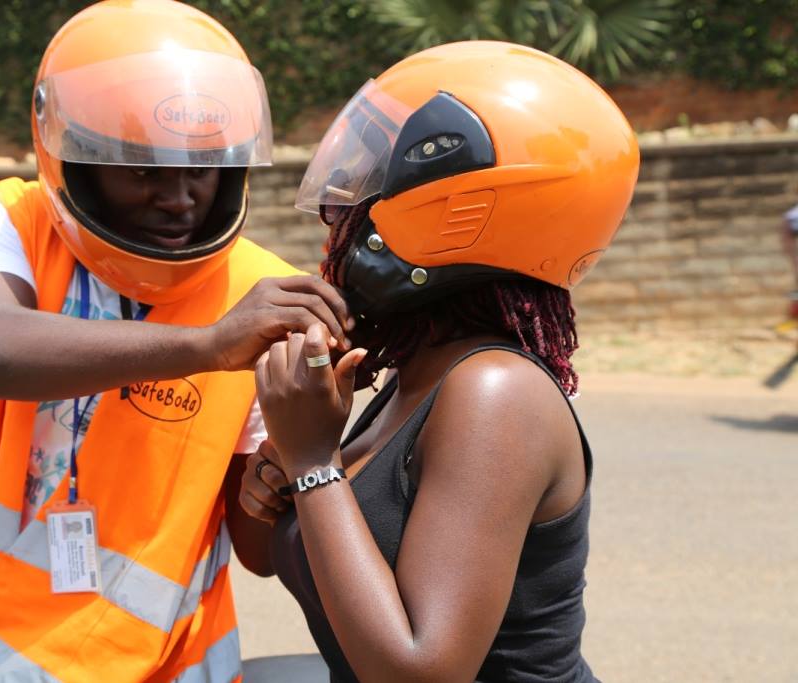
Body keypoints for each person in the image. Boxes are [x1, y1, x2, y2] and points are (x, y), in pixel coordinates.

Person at [0, 1, 352, 681]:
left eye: (201, 170)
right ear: (71, 159)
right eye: (143, 172)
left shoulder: (259, 294)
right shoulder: (17, 220)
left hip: (153, 664)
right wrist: (210, 345)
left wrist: (283, 467)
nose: (179, 198)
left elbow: (254, 551)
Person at [239, 41, 639, 682]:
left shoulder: (495, 392)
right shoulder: (412, 374)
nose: (331, 213)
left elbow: (420, 673)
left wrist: (315, 464)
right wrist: (284, 471)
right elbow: (267, 558)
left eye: (364, 186)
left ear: (449, 213)